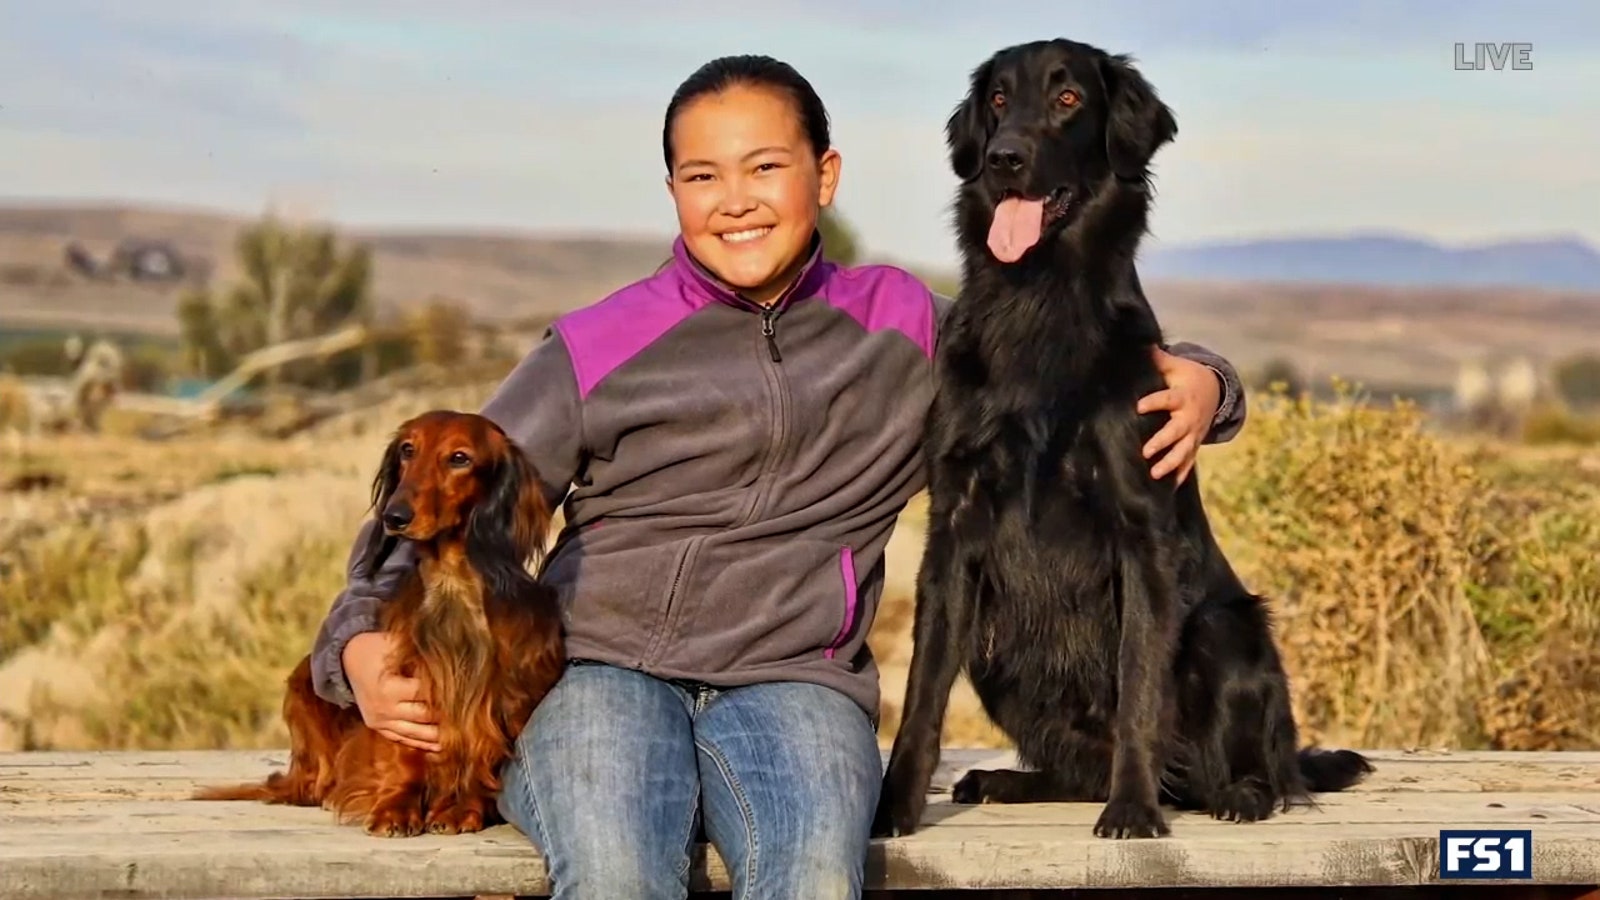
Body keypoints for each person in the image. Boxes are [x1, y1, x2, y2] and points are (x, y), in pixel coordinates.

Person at [308, 54, 1248, 900]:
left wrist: (1209, 378)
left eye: (766, 167)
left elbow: (1083, 348)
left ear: (824, 177)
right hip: (600, 675)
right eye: (702, 175)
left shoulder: (910, 324)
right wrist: (353, 648)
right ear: (672, 191)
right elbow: (437, 504)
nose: (736, 200)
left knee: (807, 875)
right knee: (615, 869)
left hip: (799, 680)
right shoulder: (595, 345)